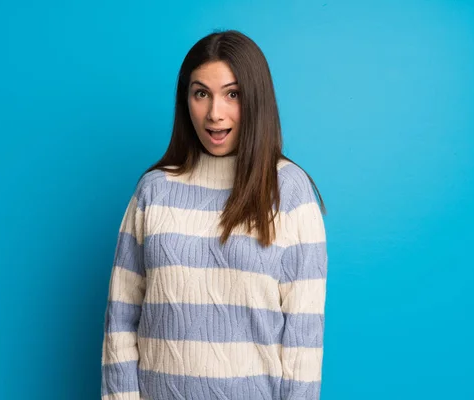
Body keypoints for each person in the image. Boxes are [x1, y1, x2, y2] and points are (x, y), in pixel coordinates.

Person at [101, 29, 328, 400]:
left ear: (256, 99)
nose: (214, 113)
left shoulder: (289, 192)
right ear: (185, 99)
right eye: (201, 93)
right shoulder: (153, 192)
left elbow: (303, 341)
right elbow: (121, 322)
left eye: (232, 94)